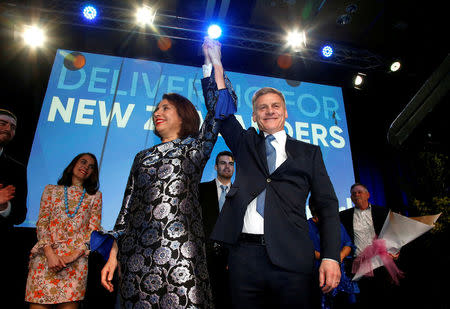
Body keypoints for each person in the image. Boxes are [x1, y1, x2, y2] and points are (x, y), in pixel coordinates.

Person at [203, 38, 341, 308]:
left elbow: (327, 205)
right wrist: (215, 64)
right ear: (254, 116)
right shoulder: (245, 144)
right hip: (244, 259)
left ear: (285, 113)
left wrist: (331, 256)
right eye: (262, 108)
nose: (269, 111)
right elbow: (220, 110)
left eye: (275, 106)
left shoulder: (309, 152)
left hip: (293, 261)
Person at [100, 44, 237, 308]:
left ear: (183, 115)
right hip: (135, 255)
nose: (157, 113)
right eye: (156, 109)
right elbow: (126, 209)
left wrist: (214, 63)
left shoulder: (195, 146)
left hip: (181, 252)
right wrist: (114, 255)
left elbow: (221, 107)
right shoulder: (142, 157)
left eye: (165, 108)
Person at [25, 153, 103, 309]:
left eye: (91, 166)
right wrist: (50, 255)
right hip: (46, 259)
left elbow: (93, 232)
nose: (86, 167)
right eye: (83, 162)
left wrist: (70, 257)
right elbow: (42, 223)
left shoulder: (95, 196)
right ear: (73, 164)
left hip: (75, 263)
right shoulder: (51, 190)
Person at [339, 183, 399, 309]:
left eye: (359, 192)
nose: (356, 195)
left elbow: (394, 234)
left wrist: (396, 251)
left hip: (380, 263)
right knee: (364, 300)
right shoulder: (343, 216)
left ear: (368, 195)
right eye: (353, 193)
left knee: (384, 298)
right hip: (358, 264)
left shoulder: (383, 212)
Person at [198, 151, 235, 308]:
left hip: (233, 259)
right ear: (216, 166)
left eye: (231, 164)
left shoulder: (241, 194)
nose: (227, 166)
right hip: (206, 257)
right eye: (223, 163)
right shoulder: (201, 190)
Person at [0, 108, 28, 303]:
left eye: (13, 127)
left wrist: (3, 207)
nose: (9, 129)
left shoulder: (17, 169)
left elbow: (19, 214)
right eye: (3, 123)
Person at [308, 202, 359, 309]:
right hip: (317, 278)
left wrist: (337, 258)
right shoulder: (305, 227)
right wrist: (329, 259)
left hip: (342, 278)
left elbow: (348, 244)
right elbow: (305, 250)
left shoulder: (336, 224)